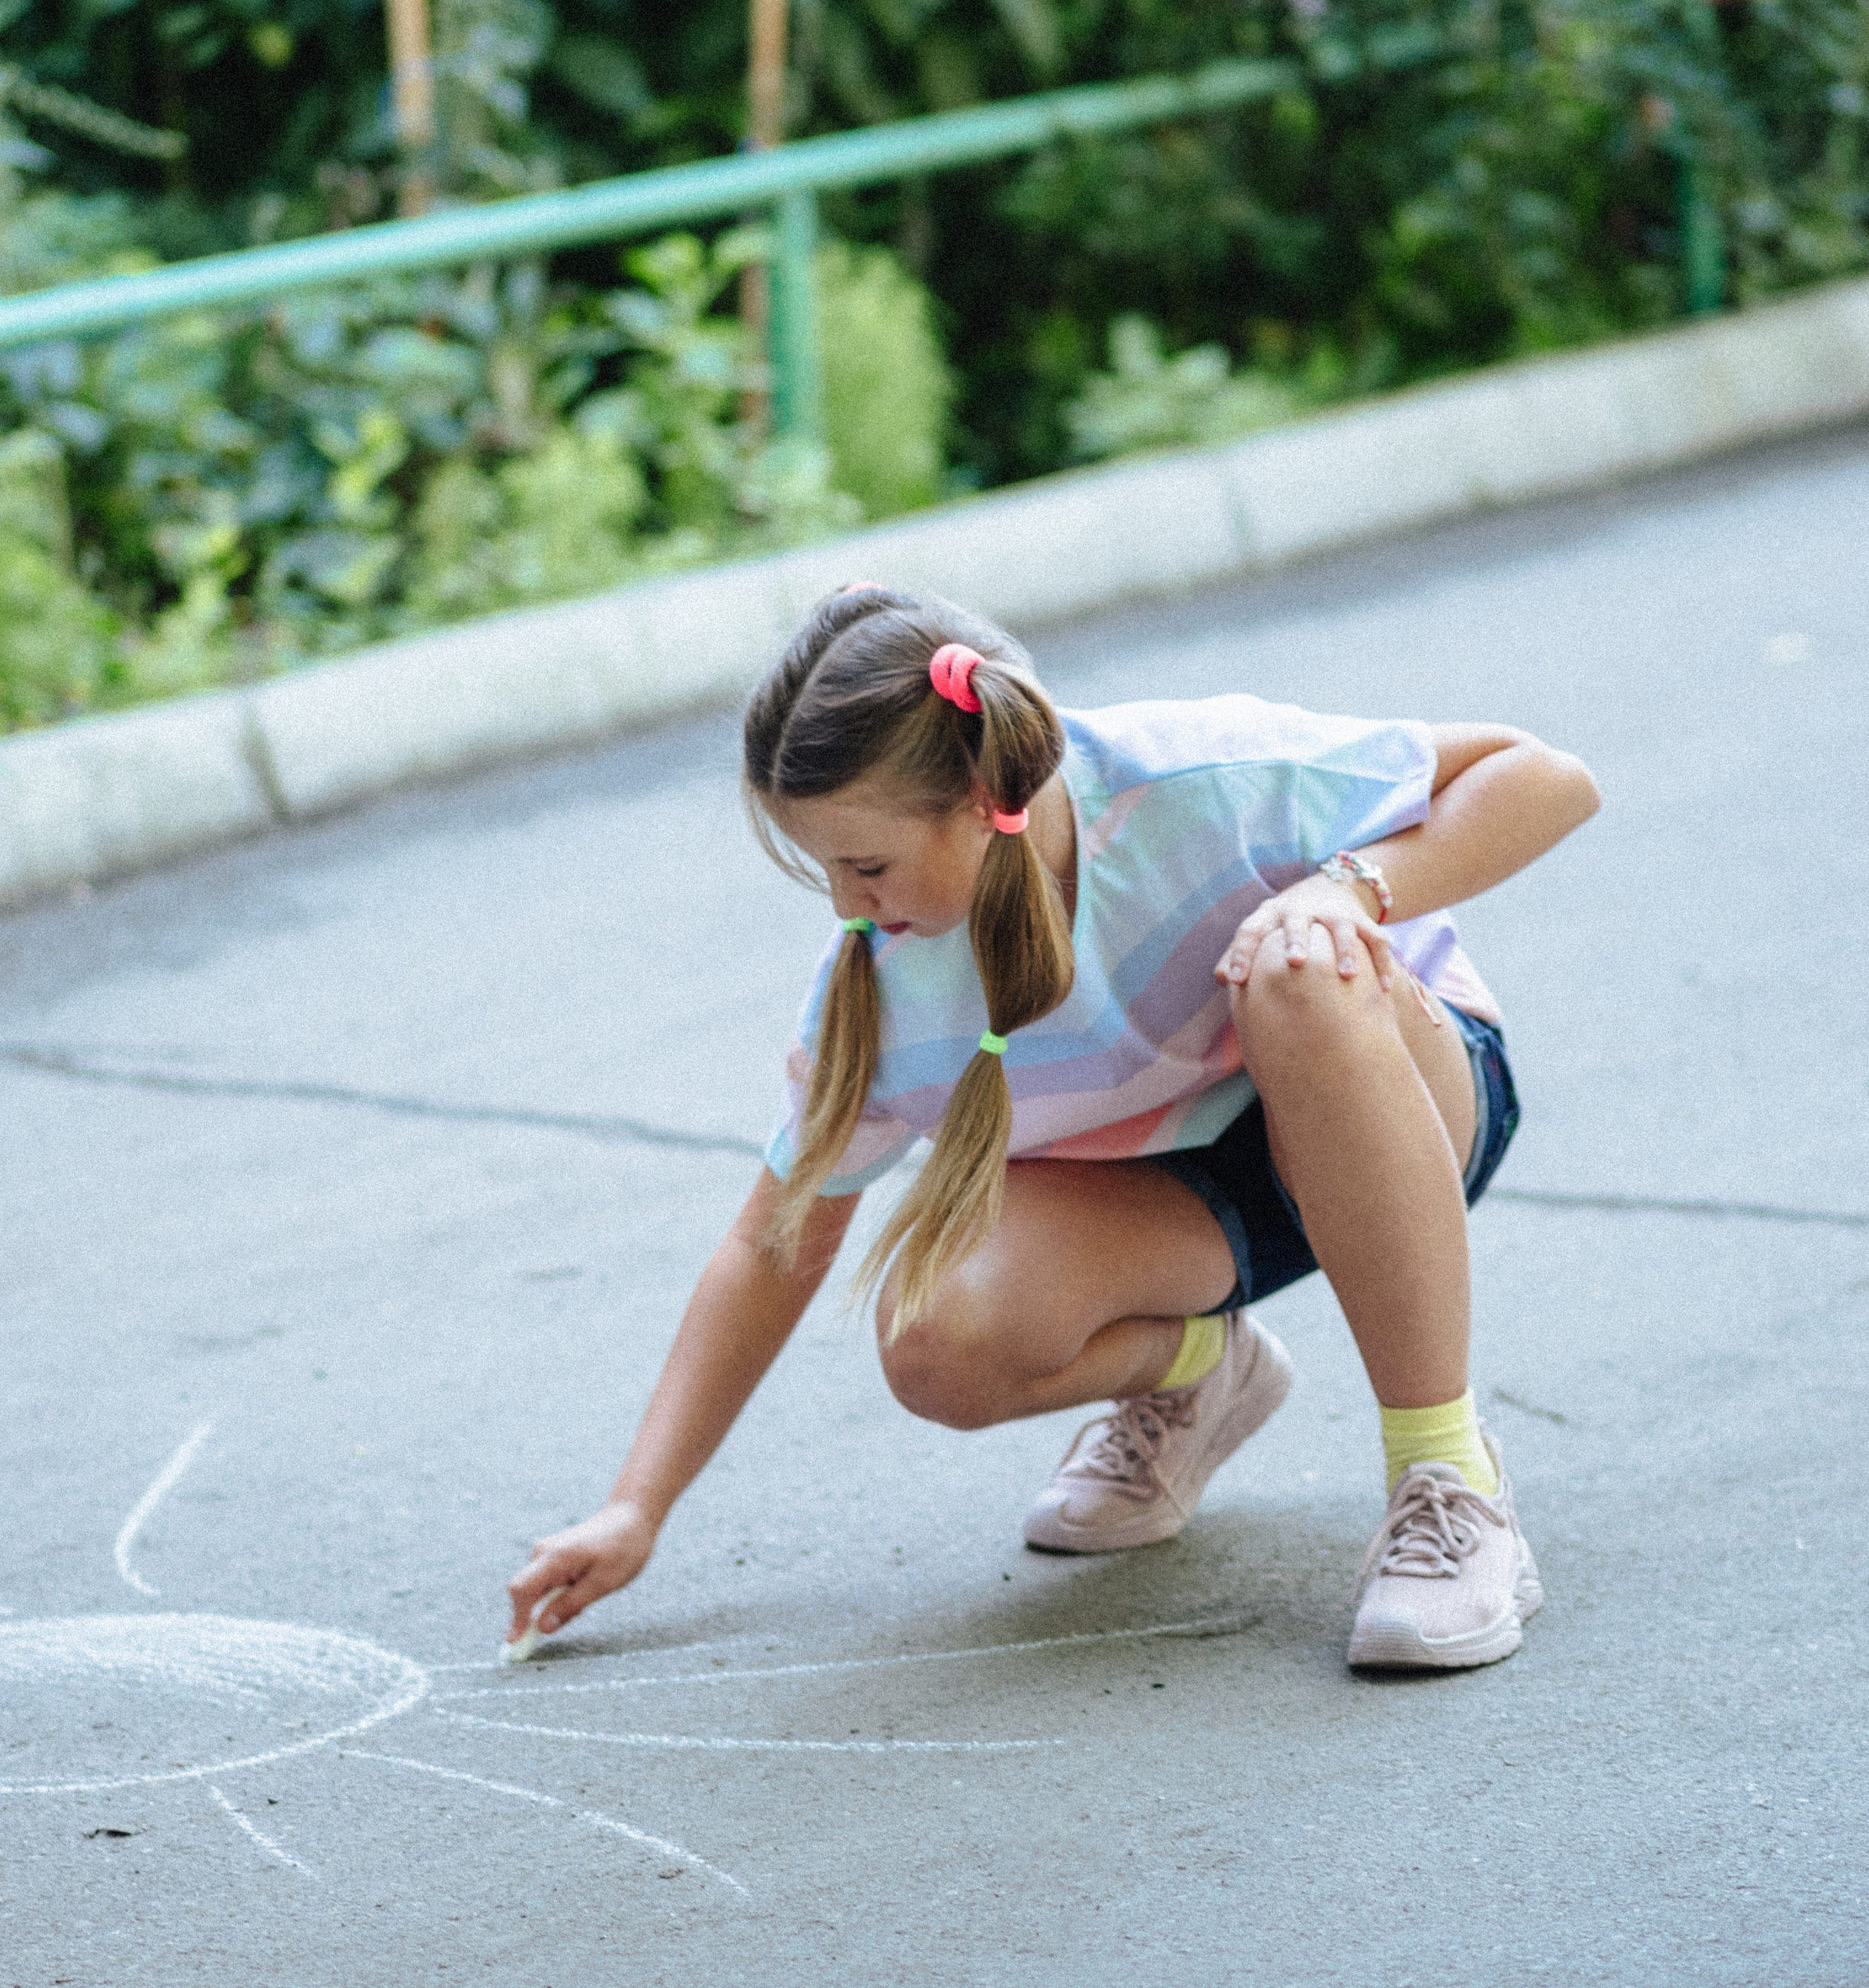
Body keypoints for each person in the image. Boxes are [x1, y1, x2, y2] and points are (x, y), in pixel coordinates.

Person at [505, 586, 1600, 1673]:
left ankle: (1448, 1480)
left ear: (985, 795)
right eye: (825, 869)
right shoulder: (880, 989)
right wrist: (633, 1508)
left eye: (867, 866)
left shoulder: (1195, 775)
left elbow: (1546, 779)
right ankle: (1203, 1370)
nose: (844, 906)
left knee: (1299, 970)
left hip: (1407, 1103)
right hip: (1194, 1200)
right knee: (937, 1337)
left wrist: (1351, 891)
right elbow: (769, 1242)